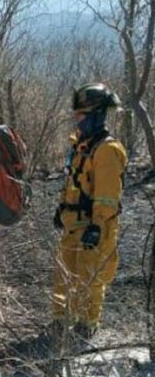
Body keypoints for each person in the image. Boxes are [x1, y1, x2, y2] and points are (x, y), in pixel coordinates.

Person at [52, 83, 126, 340]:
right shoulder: (81, 145)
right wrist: (61, 208)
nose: (77, 120)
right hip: (73, 222)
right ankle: (61, 322)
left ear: (96, 115)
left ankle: (87, 325)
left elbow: (107, 195)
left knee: (90, 278)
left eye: (81, 115)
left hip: (94, 225)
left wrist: (97, 226)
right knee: (64, 276)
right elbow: (72, 182)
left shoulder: (106, 150)